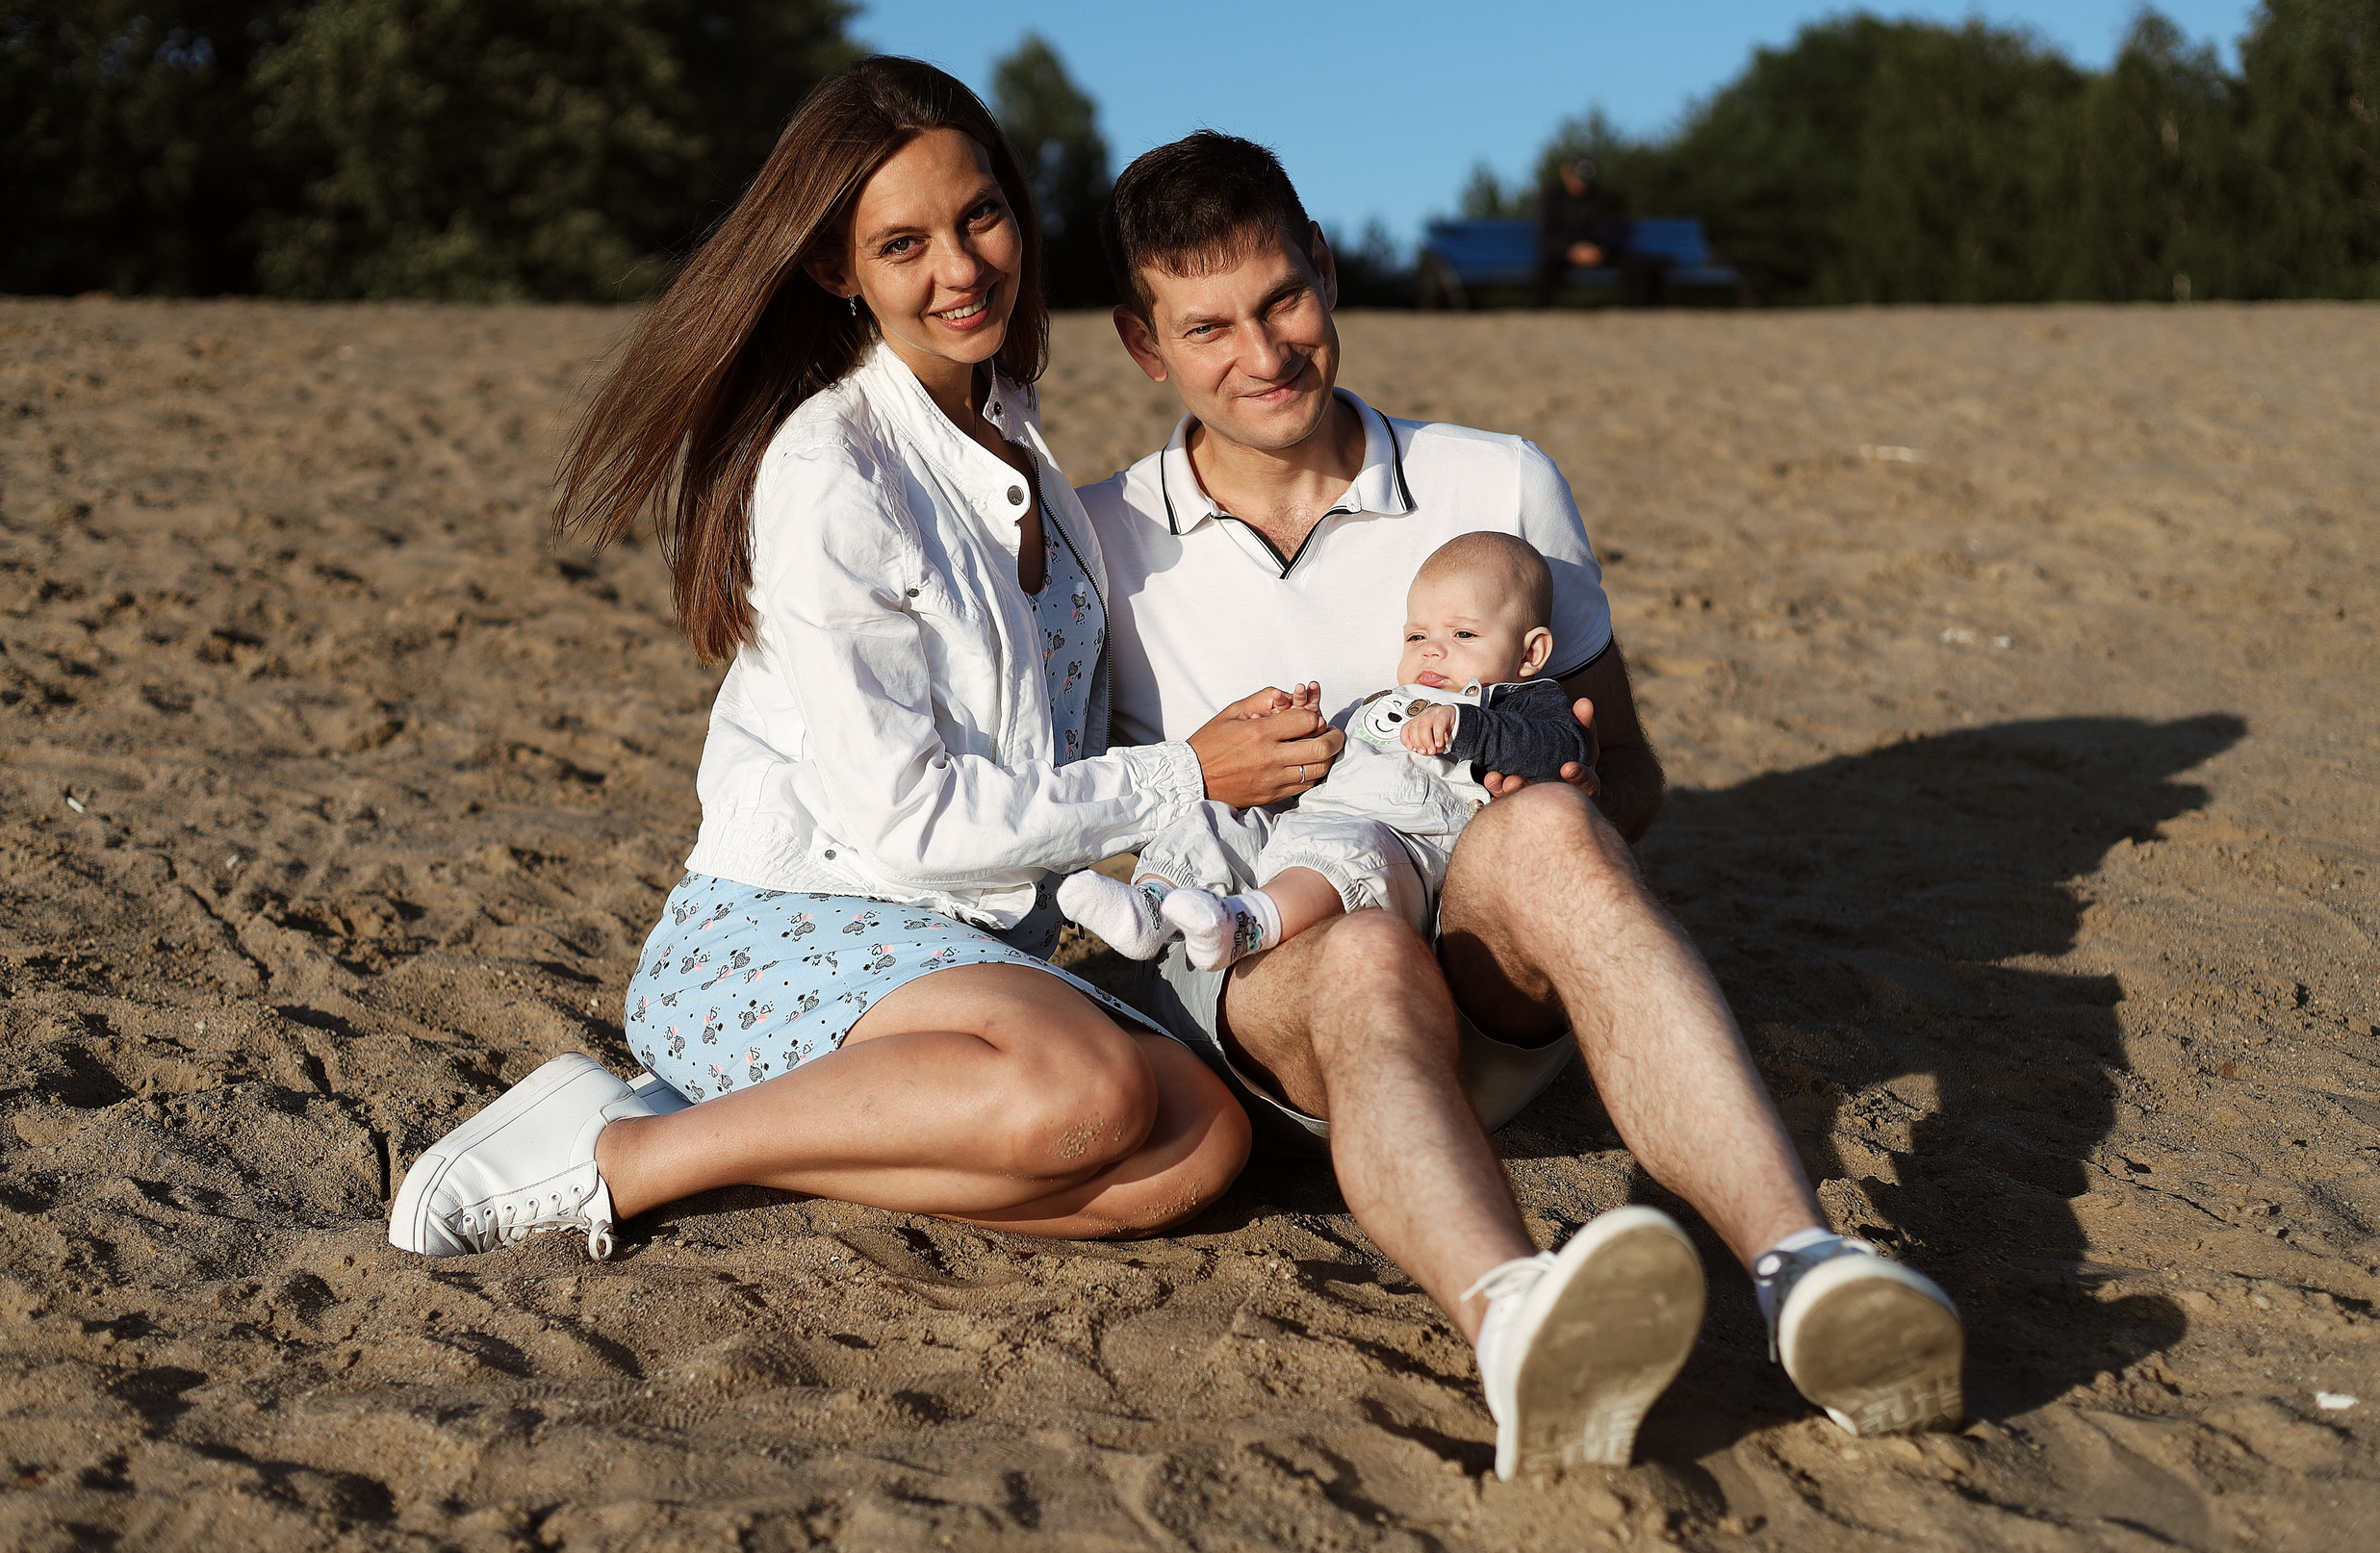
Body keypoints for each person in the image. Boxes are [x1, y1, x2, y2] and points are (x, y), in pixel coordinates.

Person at [1080, 132, 1963, 1478]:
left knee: (1550, 830)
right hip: (1283, 993)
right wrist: (1199, 769)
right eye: (1207, 328)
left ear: (1326, 270)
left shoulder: (1498, 482)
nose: (1263, 352)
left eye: (1283, 299)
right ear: (1145, 346)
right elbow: (1052, 804)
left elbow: (1636, 775)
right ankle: (1514, 1326)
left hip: (1494, 989)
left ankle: (1804, 1269)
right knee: (1362, 952)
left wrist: (1571, 784)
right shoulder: (1102, 543)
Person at [383, 62, 1342, 1262]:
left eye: (980, 216)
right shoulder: (829, 471)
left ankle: (753, 1129)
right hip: (789, 931)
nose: (961, 268)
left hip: (965, 955)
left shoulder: (1012, 429)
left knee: (1201, 1146)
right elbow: (909, 823)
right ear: (840, 270)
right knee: (1087, 1096)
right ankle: (624, 1152)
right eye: (903, 245)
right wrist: (1185, 774)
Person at [1059, 530, 1586, 972]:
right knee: (1214, 820)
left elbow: (1563, 749)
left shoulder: (1518, 703)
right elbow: (1333, 762)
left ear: (1530, 652)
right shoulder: (1386, 699)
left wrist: (1468, 726)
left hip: (1397, 848)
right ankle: (1152, 906)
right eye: (1416, 636)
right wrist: (1307, 732)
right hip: (1302, 822)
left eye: (1463, 634)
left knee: (1343, 850)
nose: (1432, 650)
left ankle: (1244, 925)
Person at [1535, 157, 1659, 308]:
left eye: (1585, 179)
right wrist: (1570, 251)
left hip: (1596, 253)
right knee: (1544, 272)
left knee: (1639, 267)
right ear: (1567, 173)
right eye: (1578, 177)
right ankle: (1542, 311)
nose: (1581, 183)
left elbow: (1605, 231)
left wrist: (1595, 250)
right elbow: (1547, 236)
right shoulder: (1553, 199)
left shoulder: (1599, 198)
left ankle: (1645, 310)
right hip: (1562, 255)